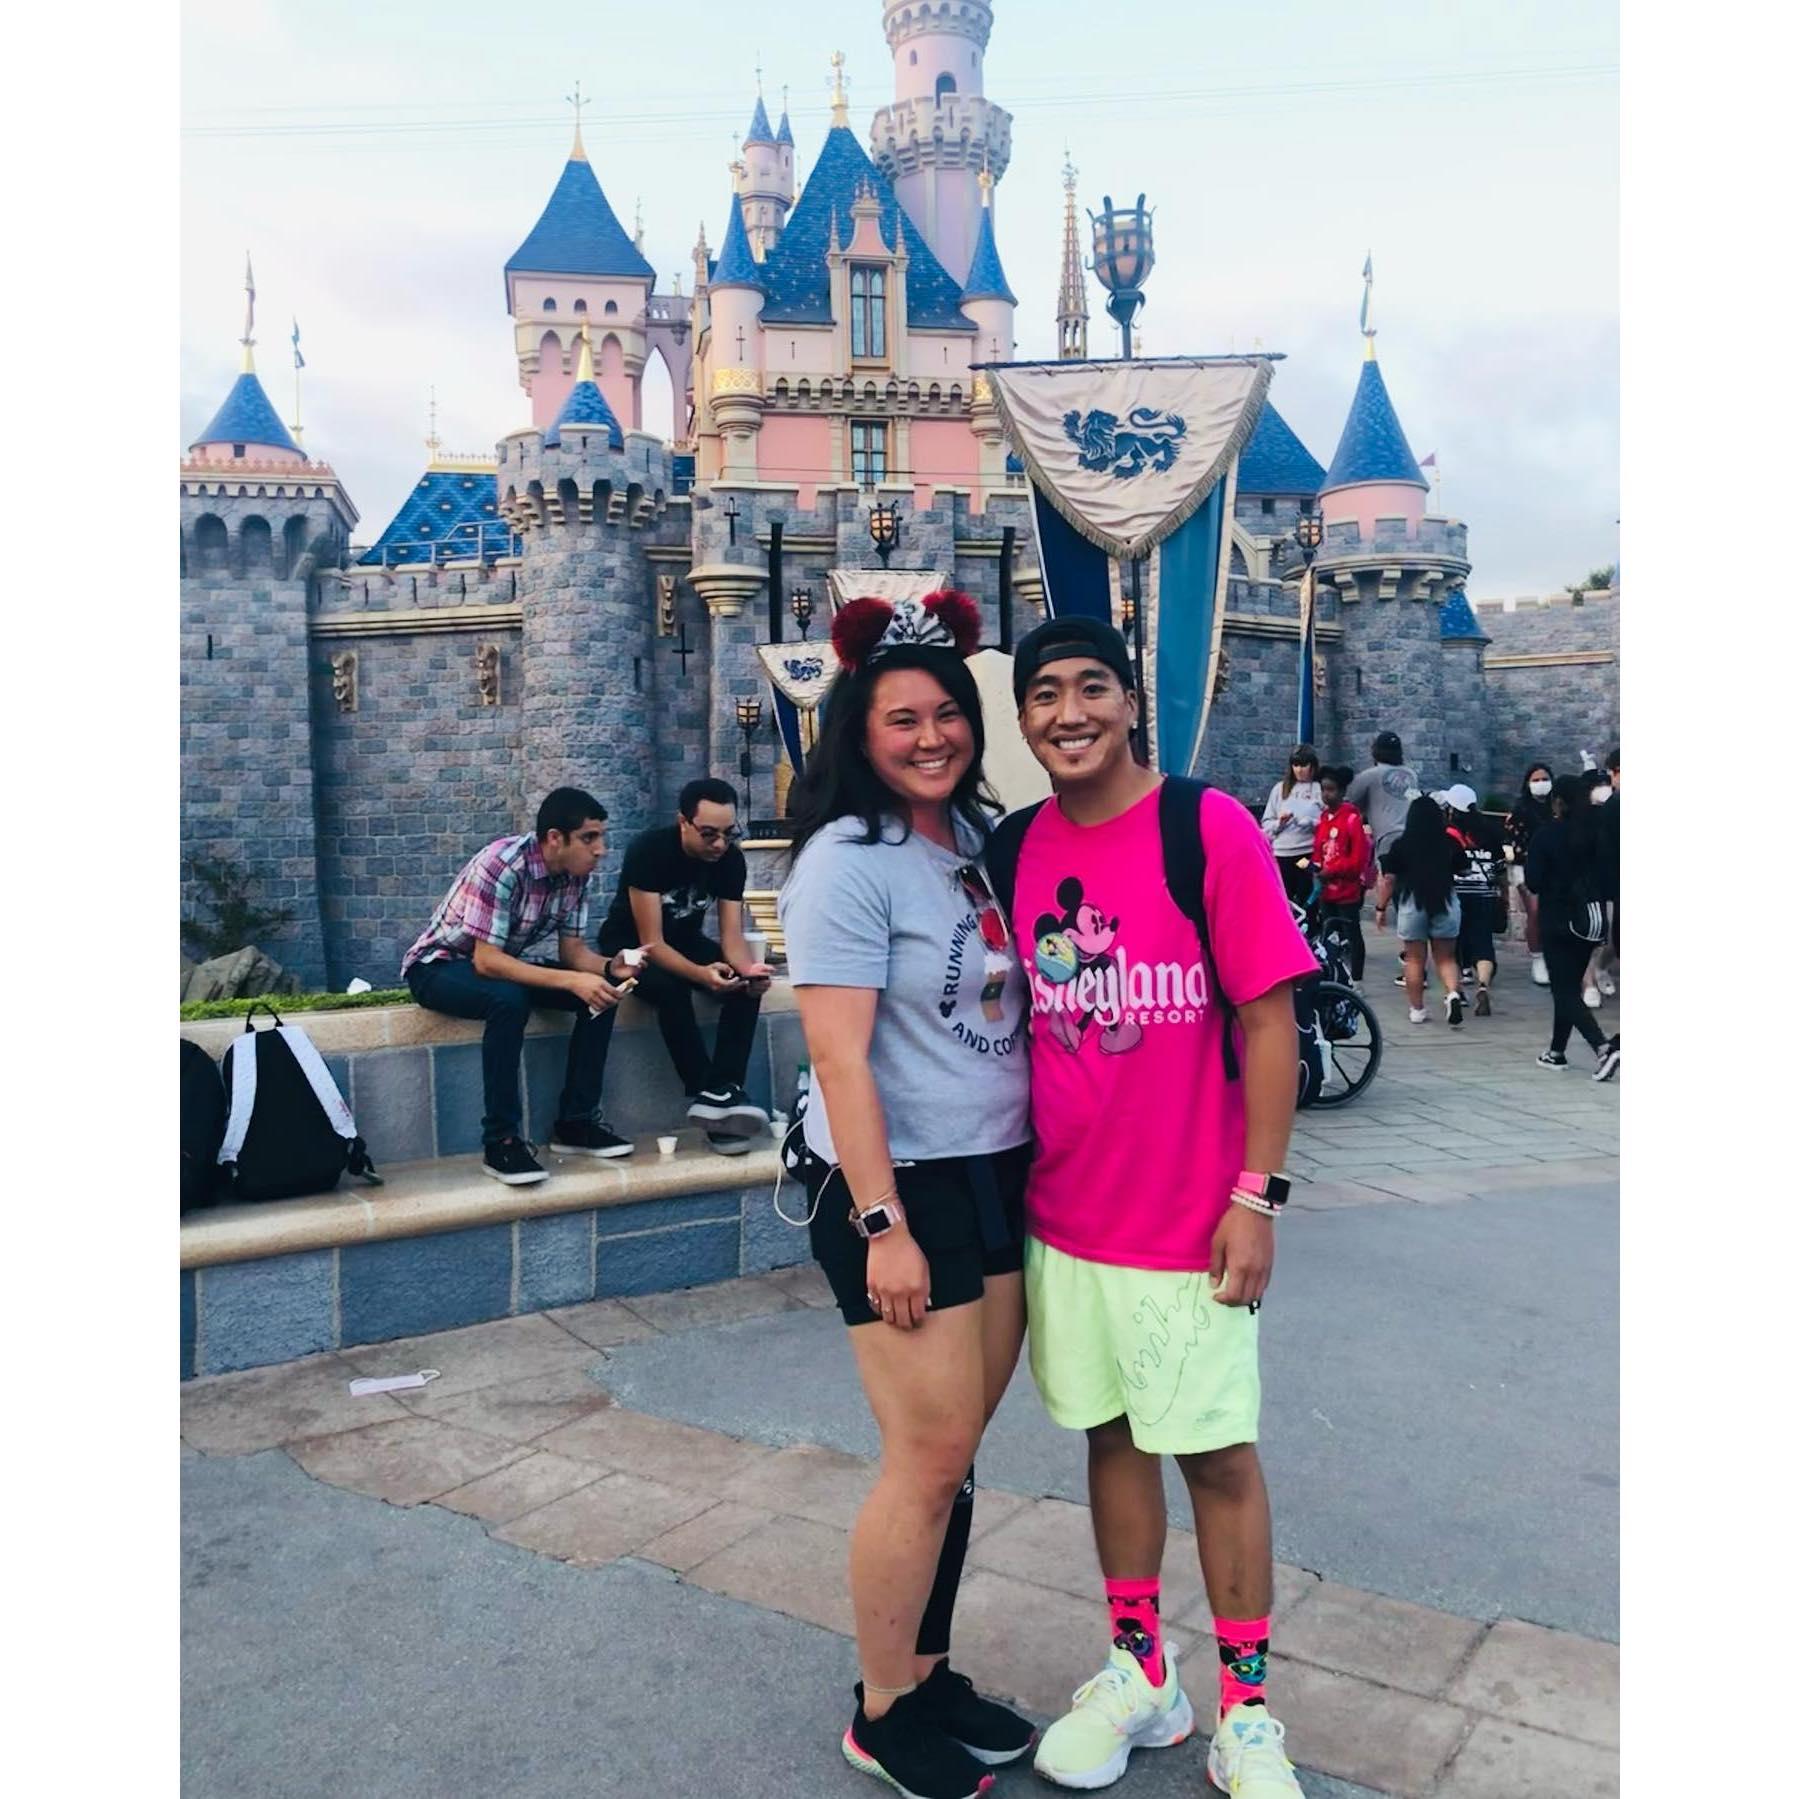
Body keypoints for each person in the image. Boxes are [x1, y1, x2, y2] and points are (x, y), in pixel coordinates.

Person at [1000, 615, 1316, 1798]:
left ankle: (1245, 1710)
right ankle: (1141, 1672)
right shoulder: (1014, 847)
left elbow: (1268, 1018)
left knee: (1217, 1456)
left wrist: (1255, 1193)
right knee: (1113, 1437)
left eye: (1091, 688)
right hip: (1065, 1217)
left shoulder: (1206, 826)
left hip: (1192, 1219)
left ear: (1128, 703)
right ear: (1022, 717)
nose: (1067, 711)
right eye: (1043, 694)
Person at [778, 590, 1039, 1799]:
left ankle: (926, 1673)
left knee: (957, 1450)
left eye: (946, 714)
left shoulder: (971, 843)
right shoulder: (845, 861)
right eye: (901, 719)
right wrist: (881, 1224)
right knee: (925, 1452)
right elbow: (839, 1056)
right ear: (857, 730)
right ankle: (881, 1709)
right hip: (895, 1181)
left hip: (991, 1164)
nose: (931, 735)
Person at [401, 788, 628, 1186]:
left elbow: (574, 953)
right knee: (509, 1000)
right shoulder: (503, 864)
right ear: (555, 837)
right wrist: (574, 980)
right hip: (436, 967)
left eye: (602, 838)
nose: (601, 850)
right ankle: (501, 1141)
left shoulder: (576, 878)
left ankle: (575, 1123)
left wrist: (610, 966)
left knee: (603, 994)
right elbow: (485, 961)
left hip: (498, 966)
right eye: (590, 838)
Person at [593, 778, 773, 1156]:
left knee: (744, 986)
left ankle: (723, 1095)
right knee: (672, 989)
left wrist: (748, 973)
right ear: (683, 822)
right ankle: (706, 1088)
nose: (720, 845)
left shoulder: (730, 860)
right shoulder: (650, 851)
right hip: (631, 945)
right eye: (709, 835)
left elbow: (732, 939)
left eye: (728, 833)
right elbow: (652, 943)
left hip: (685, 941)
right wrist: (701, 975)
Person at [1525, 773, 1620, 1080]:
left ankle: (1603, 1047)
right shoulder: (1596, 833)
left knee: (1563, 989)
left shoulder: (1547, 835)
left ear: (1558, 802)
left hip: (1558, 919)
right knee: (1566, 986)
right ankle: (1556, 1051)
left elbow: (1534, 881)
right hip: (1591, 920)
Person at [1382, 797, 1468, 1027]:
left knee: (1414, 960)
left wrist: (1381, 907)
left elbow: (1389, 878)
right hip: (1445, 899)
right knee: (1446, 958)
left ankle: (1417, 1009)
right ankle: (1452, 993)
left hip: (1412, 901)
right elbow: (1465, 869)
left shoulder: (1401, 844)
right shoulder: (1449, 842)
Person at [1442, 784, 1504, 1015]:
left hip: (1457, 893)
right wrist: (1503, 895)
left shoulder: (1447, 835)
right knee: (1483, 943)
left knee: (1453, 945)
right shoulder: (1490, 832)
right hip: (1484, 893)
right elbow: (1500, 869)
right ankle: (1483, 985)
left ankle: (1457, 991)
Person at [1310, 764, 1370, 985]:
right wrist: (1313, 867)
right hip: (1326, 890)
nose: (1326, 794)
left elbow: (1357, 859)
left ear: (1342, 791)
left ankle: (1357, 979)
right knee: (1329, 934)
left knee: (1351, 934)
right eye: (1323, 789)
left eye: (1331, 789)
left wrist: (1332, 870)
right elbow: (1318, 849)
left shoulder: (1352, 818)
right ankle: (1334, 976)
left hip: (1347, 890)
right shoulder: (1324, 818)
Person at [1504, 763, 1555, 986]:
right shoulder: (1520, 809)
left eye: (1544, 779)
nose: (1541, 783)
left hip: (1554, 866)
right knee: (1535, 911)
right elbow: (1511, 841)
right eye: (1535, 780)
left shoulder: (1556, 807)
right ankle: (1537, 957)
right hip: (1525, 866)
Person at [1259, 745, 1324, 909]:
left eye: (1304, 765)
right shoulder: (1280, 789)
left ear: (1312, 766)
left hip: (1305, 854)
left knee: (1307, 896)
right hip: (1282, 854)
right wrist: (1279, 824)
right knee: (1283, 898)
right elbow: (1266, 824)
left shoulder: (1319, 789)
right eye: (1296, 765)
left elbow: (1329, 823)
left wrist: (1309, 822)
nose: (1300, 770)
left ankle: (1310, 929)